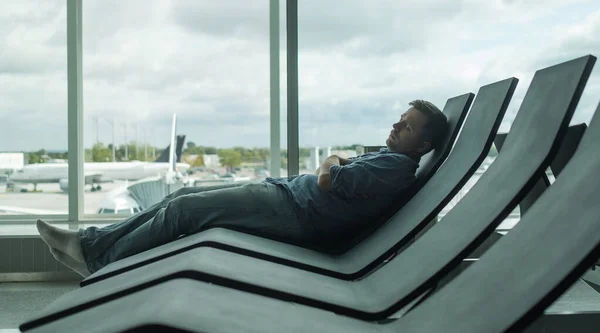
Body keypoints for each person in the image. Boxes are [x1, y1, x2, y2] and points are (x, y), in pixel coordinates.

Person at [37, 100, 448, 277]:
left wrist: (334, 158)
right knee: (180, 198)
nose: (396, 126)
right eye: (399, 119)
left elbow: (327, 177)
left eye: (406, 126)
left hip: (293, 213)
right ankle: (91, 246)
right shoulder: (392, 161)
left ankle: (100, 263)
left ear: (424, 144)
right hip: (288, 201)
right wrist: (339, 161)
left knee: (183, 212)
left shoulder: (395, 167)